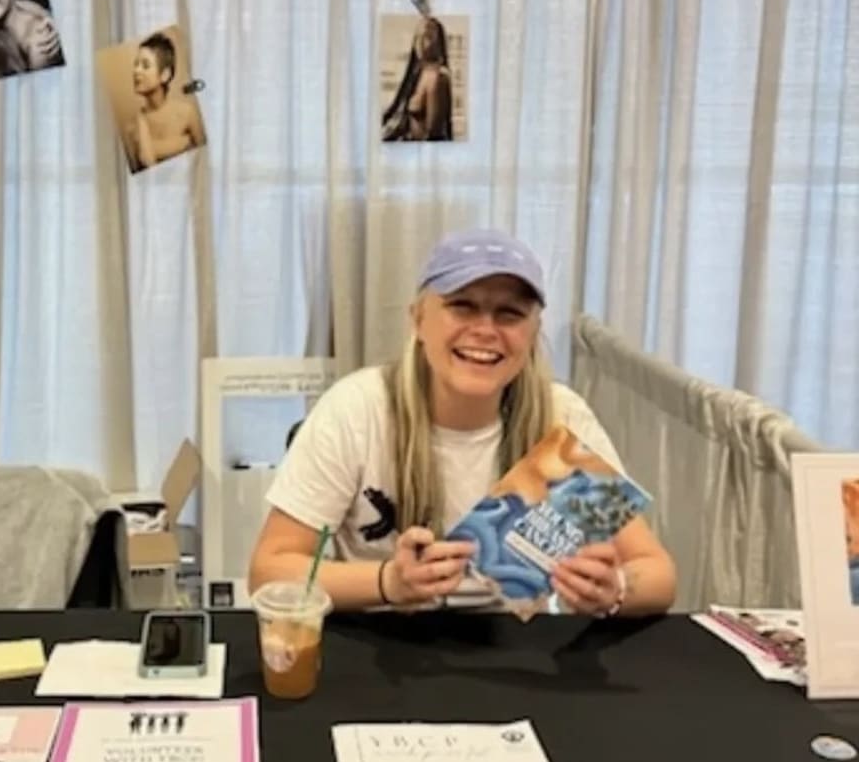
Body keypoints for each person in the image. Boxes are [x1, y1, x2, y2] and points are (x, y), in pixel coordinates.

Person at [248, 228, 677, 615]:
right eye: (462, 307)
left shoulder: (559, 416)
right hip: (383, 653)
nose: (485, 330)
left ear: (533, 331)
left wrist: (615, 589)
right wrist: (387, 583)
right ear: (418, 319)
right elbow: (269, 572)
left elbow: (657, 574)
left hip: (516, 658)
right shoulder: (356, 411)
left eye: (509, 313)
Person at [124, 32, 206, 172]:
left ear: (165, 75)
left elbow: (204, 162)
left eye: (145, 65)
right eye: (136, 64)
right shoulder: (131, 128)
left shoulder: (187, 113)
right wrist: (182, 143)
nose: (136, 71)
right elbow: (146, 162)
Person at [381, 15, 453, 142]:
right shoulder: (417, 74)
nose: (420, 43)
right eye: (417, 37)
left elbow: (434, 136)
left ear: (438, 43)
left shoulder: (437, 78)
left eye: (427, 37)